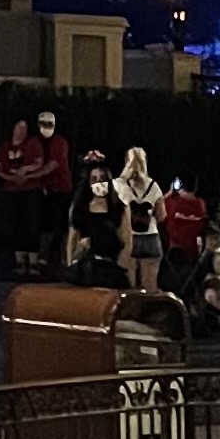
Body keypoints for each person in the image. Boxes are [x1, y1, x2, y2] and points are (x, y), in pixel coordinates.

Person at [0, 119, 48, 276]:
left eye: (24, 128)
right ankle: (19, 260)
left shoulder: (33, 144)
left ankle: (33, 261)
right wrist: (10, 178)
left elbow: (39, 162)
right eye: (19, 127)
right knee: (16, 224)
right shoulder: (5, 147)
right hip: (11, 190)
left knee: (31, 223)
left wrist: (26, 171)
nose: (21, 131)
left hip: (30, 189)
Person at [69, 153, 129, 288]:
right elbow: (72, 238)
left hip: (111, 268)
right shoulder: (80, 206)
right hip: (86, 267)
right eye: (94, 179)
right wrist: (71, 263)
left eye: (102, 178)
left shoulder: (118, 207)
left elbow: (126, 240)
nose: (98, 182)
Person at [27, 108, 73, 273]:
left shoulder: (59, 142)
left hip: (60, 189)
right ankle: (44, 258)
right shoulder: (35, 142)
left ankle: (63, 259)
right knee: (45, 225)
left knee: (60, 226)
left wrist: (30, 176)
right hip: (45, 189)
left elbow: (53, 165)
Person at [115, 146, 164, 297]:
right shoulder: (154, 186)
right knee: (150, 287)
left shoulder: (118, 185)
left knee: (127, 286)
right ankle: (148, 317)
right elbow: (161, 215)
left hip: (127, 239)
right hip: (151, 238)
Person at [158, 173, 208, 290]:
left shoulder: (171, 202)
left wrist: (170, 192)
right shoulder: (200, 205)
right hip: (191, 256)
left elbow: (157, 208)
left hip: (171, 255)